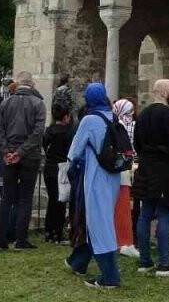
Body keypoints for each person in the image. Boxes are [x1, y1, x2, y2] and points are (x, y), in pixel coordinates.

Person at [66, 83, 123, 289]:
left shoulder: (90, 119)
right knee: (102, 220)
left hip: (96, 176)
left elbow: (74, 152)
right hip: (113, 176)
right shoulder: (113, 116)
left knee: (98, 225)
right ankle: (78, 261)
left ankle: (110, 276)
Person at [132, 79, 169, 276]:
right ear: (162, 92)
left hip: (146, 168)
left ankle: (145, 260)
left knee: (145, 214)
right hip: (163, 171)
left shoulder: (143, 114)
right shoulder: (168, 113)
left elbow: (137, 143)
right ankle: (163, 262)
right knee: (163, 213)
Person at [0, 71, 46, 250]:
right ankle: (20, 239)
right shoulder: (38, 103)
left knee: (7, 197)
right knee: (25, 198)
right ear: (31, 85)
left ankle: (1, 240)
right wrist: (21, 152)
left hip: (10, 155)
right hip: (29, 156)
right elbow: (38, 133)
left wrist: (7, 151)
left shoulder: (5, 103)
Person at [112, 98, 139, 259]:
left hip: (122, 168)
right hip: (125, 169)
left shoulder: (114, 125)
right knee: (123, 206)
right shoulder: (121, 127)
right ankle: (124, 240)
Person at [43, 103, 73, 245]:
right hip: (61, 167)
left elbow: (44, 146)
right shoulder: (67, 132)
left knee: (52, 199)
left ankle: (49, 230)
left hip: (49, 167)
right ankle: (57, 232)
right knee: (60, 201)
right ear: (66, 117)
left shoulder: (49, 131)